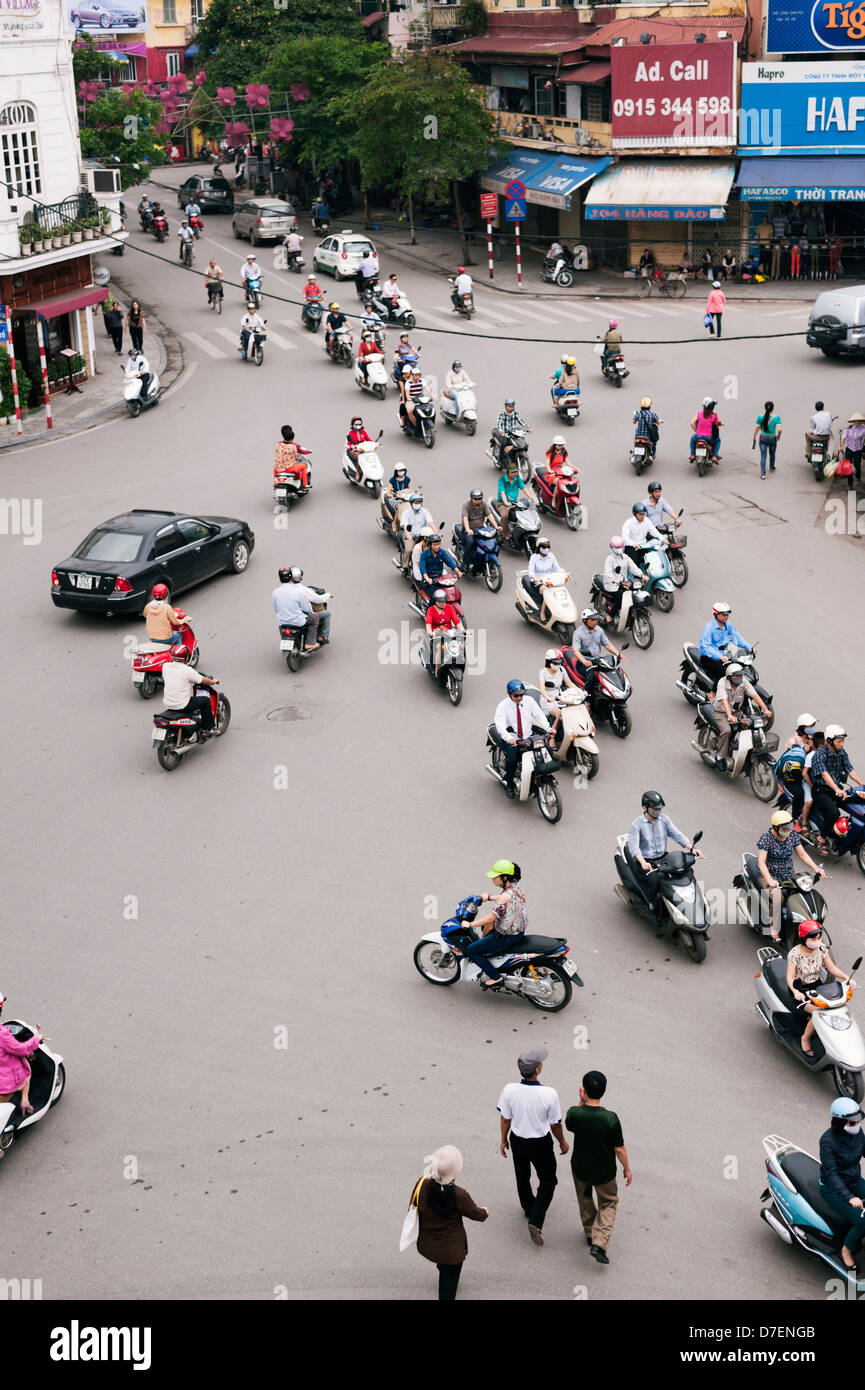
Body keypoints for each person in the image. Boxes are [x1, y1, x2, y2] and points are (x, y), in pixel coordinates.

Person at [497, 1044, 569, 1245]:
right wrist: (562, 1142)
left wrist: (503, 1139)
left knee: (522, 1176)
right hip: (541, 1144)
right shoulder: (549, 1094)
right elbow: (555, 1124)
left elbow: (505, 1118)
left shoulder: (509, 1090)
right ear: (537, 1070)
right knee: (548, 1181)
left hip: (518, 1140)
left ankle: (529, 1208)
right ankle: (536, 1221)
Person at [565, 1070, 632, 1265]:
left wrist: (581, 1101)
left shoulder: (575, 1113)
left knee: (585, 1199)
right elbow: (619, 1149)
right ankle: (599, 1243)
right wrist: (626, 1169)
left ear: (583, 1090)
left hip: (580, 1167)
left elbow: (570, 1123)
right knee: (608, 1203)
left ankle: (589, 1232)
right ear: (604, 1091)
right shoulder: (610, 1118)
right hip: (604, 1172)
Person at [413, 1144, 489, 1301]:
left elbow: (414, 1207)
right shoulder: (459, 1195)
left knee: (443, 1267)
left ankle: (442, 1270)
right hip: (451, 1252)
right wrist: (485, 1211)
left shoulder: (422, 1184)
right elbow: (476, 1214)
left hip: (429, 1244)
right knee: (449, 1282)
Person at [756, 809, 826, 941]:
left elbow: (802, 854)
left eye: (789, 828)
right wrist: (770, 879)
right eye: (784, 829)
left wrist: (815, 868)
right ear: (776, 828)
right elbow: (761, 862)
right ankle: (772, 925)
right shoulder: (766, 838)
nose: (787, 831)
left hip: (788, 873)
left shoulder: (792, 835)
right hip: (769, 875)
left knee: (802, 892)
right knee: (778, 897)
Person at [789, 923, 856, 1057]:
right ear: (803, 938)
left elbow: (831, 967)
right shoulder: (795, 953)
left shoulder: (821, 948)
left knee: (835, 1005)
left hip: (817, 986)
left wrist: (846, 977)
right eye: (813, 939)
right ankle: (805, 1038)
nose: (817, 941)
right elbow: (790, 977)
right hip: (800, 989)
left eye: (819, 938)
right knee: (818, 1012)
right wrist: (795, 991)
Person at [627, 790, 703, 903]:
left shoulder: (664, 819)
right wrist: (643, 862)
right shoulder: (637, 825)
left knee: (686, 871)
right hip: (647, 861)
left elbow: (677, 834)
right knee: (654, 880)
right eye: (655, 809)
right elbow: (634, 848)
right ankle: (652, 904)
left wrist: (692, 848)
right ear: (645, 807)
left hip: (663, 858)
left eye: (659, 809)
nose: (658, 812)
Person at [819, 1097, 865, 1271]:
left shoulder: (857, 1133)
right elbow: (831, 1174)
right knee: (863, 1220)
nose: (857, 1125)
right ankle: (846, 1251)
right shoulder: (827, 1142)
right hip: (834, 1189)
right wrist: (849, 1197)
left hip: (853, 1180)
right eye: (852, 1122)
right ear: (840, 1122)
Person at [711, 662, 773, 771]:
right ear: (730, 677)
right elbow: (724, 700)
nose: (740, 678)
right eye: (737, 676)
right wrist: (729, 715)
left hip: (736, 712)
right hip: (721, 713)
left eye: (741, 675)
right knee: (727, 731)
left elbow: (755, 695)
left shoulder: (743, 682)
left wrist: (765, 709)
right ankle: (720, 756)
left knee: (750, 727)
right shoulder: (722, 682)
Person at [810, 726, 864, 847]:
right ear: (829, 741)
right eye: (839, 741)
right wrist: (836, 789)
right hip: (821, 791)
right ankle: (822, 837)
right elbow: (824, 775)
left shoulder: (841, 753)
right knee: (834, 813)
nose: (842, 744)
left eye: (843, 741)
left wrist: (862, 784)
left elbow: (850, 769)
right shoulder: (819, 755)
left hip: (836, 788)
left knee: (857, 800)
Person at [492, 685, 551, 799]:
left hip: (528, 736)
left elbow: (539, 715)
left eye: (521, 694)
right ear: (509, 694)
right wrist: (509, 738)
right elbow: (499, 725)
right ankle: (509, 783)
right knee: (512, 760)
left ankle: (539, 776)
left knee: (547, 751)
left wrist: (548, 728)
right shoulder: (503, 706)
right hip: (512, 739)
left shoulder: (529, 701)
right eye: (516, 695)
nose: (519, 697)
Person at [0, 990, 43, 1118]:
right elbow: (20, 1049)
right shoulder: (2, 1034)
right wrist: (36, 1039)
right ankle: (25, 1101)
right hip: (4, 1086)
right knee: (26, 1072)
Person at [162, 644, 218, 734]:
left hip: (168, 703)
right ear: (186, 657)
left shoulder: (165, 667)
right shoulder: (187, 670)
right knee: (205, 701)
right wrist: (213, 681)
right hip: (182, 704)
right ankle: (208, 729)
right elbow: (203, 680)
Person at [698, 600, 750, 686]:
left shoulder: (728, 625)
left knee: (737, 669)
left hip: (724, 654)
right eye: (723, 614)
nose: (726, 617)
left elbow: (737, 637)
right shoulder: (709, 628)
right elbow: (707, 647)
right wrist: (719, 657)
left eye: (727, 614)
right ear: (716, 614)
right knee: (724, 675)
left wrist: (749, 647)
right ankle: (713, 693)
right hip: (709, 658)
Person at [272, 566, 322, 652]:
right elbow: (305, 607)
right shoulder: (297, 591)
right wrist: (311, 612)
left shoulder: (275, 592)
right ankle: (309, 643)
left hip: (282, 622)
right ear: (291, 577)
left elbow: (276, 608)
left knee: (282, 626)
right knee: (315, 618)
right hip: (298, 622)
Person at [571, 608, 621, 688]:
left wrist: (618, 653)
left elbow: (607, 644)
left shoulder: (599, 630)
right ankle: (589, 697)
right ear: (585, 620)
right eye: (592, 619)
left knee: (612, 671)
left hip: (597, 660)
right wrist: (584, 661)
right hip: (584, 663)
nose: (595, 622)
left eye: (596, 619)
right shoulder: (578, 633)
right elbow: (576, 651)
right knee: (592, 678)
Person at [524, 537, 565, 623]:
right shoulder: (534, 558)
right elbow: (530, 572)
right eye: (543, 547)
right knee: (547, 591)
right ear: (539, 548)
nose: (546, 549)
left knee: (560, 589)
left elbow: (558, 568)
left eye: (547, 547)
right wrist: (535, 578)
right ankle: (542, 613)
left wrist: (565, 573)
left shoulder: (551, 556)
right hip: (537, 582)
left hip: (549, 580)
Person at [425, 588, 464, 678]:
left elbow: (457, 622)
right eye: (440, 601)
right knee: (439, 648)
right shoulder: (430, 610)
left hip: (449, 634)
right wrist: (431, 633)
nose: (442, 603)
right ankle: (437, 670)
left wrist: (463, 631)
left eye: (444, 601)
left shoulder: (449, 608)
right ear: (435, 601)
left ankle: (461, 662)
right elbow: (428, 625)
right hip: (437, 635)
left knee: (461, 645)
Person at [601, 539, 644, 621]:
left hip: (624, 583)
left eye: (621, 547)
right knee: (621, 597)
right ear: (612, 548)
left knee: (634, 594)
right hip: (612, 584)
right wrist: (614, 580)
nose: (619, 549)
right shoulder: (609, 559)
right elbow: (608, 573)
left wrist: (642, 575)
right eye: (617, 547)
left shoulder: (625, 557)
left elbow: (633, 567)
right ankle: (610, 615)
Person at [459, 487, 496, 573]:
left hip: (480, 529)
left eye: (479, 499)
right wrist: (468, 529)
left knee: (490, 540)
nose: (478, 501)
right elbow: (465, 518)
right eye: (476, 499)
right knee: (470, 543)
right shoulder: (466, 506)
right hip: (469, 530)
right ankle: (465, 563)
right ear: (471, 498)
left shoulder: (484, 505)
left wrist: (496, 526)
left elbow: (489, 515)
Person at [397, 493, 435, 574]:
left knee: (431, 548)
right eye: (415, 503)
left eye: (419, 502)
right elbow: (405, 525)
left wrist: (436, 532)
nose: (417, 504)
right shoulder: (406, 513)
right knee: (409, 549)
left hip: (422, 536)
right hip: (410, 535)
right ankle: (405, 567)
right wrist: (407, 534)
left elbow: (430, 522)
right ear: (411, 503)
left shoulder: (425, 511)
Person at [418, 534, 461, 602]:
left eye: (438, 544)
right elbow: (422, 568)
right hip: (430, 578)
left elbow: (449, 562)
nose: (437, 547)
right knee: (435, 598)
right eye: (435, 545)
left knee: (451, 592)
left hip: (440, 577)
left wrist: (457, 571)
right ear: (430, 545)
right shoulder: (424, 554)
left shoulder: (442, 552)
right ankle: (429, 611)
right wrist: (427, 579)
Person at [495, 461, 531, 544]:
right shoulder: (502, 480)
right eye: (513, 472)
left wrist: (532, 498)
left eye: (516, 472)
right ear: (508, 472)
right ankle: (506, 534)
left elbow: (524, 489)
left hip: (514, 503)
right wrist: (506, 502)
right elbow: (502, 493)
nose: (515, 473)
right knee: (504, 516)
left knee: (524, 514)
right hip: (503, 504)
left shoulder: (517, 479)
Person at [620, 501, 663, 567]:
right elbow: (624, 537)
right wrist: (633, 544)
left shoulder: (647, 521)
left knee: (653, 557)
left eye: (643, 514)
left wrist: (662, 538)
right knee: (635, 562)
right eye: (640, 514)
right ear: (635, 514)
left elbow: (653, 531)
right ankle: (636, 576)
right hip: (632, 547)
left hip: (644, 545)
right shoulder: (628, 523)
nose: (642, 516)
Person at [492, 398, 531, 468]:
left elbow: (520, 421)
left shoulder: (515, 413)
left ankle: (517, 458)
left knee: (522, 444)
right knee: (503, 444)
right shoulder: (501, 414)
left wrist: (527, 427)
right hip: (505, 434)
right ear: (506, 406)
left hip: (513, 433)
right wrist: (500, 430)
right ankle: (500, 461)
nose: (511, 408)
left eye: (512, 406)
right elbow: (499, 423)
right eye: (509, 406)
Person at [538, 649, 566, 740]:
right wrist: (548, 698)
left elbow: (569, 683)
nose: (558, 665)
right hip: (547, 701)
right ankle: (552, 736)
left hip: (560, 698)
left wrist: (580, 691)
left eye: (559, 663)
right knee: (559, 714)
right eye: (556, 663)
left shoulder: (562, 670)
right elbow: (542, 690)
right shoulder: (543, 673)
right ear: (549, 662)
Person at [274, 425, 311, 492]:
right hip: (289, 468)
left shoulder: (277, 445)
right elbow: (297, 455)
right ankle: (305, 485)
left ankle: (275, 483)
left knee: (275, 467)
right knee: (303, 466)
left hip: (279, 467)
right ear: (292, 439)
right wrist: (308, 451)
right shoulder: (293, 446)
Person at [752, 401, 782, 479]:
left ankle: (763, 474)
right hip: (772, 439)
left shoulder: (760, 417)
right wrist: (778, 436)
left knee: (763, 456)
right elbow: (779, 430)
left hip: (763, 438)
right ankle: (771, 467)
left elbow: (757, 428)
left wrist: (754, 436)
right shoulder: (777, 417)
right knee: (772, 454)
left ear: (765, 408)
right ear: (773, 408)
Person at [690, 397, 722, 462]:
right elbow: (716, 425)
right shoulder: (714, 416)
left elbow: (692, 423)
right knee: (718, 440)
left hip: (698, 437)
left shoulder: (699, 413)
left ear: (704, 406)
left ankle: (692, 455)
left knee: (692, 439)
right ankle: (714, 456)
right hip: (709, 438)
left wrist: (696, 431)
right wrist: (719, 424)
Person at [345, 416, 375, 485]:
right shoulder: (350, 433)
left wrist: (375, 443)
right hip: (353, 451)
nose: (358, 426)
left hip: (362, 450)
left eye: (359, 424)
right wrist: (351, 446)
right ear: (352, 425)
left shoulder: (363, 432)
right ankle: (358, 473)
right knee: (360, 457)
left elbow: (369, 440)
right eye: (356, 424)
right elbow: (348, 443)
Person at [841, 412, 865, 485]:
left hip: (858, 450)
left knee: (857, 465)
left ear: (861, 421)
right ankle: (850, 484)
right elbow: (843, 437)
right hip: (849, 449)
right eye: (856, 420)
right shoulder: (848, 428)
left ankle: (858, 478)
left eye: (859, 420)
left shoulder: (863, 429)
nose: (857, 422)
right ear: (853, 421)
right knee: (848, 466)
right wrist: (840, 446)